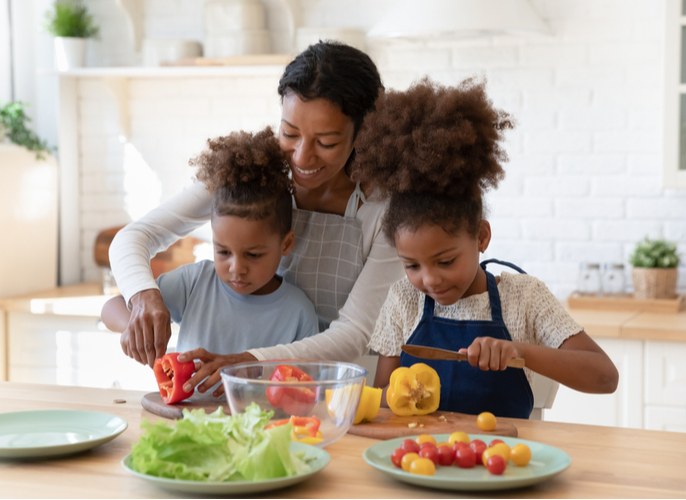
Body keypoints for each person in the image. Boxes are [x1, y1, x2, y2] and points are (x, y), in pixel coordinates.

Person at [108, 41, 405, 396]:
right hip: (244, 389)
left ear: (363, 133)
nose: (301, 156)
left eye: (325, 141)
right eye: (290, 133)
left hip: (337, 393)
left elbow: (354, 334)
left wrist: (249, 362)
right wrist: (144, 297)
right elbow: (135, 236)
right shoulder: (251, 175)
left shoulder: (386, 209)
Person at [350, 77, 619, 419]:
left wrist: (518, 351)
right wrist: (396, 393)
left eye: (445, 260)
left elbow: (605, 376)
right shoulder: (403, 300)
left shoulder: (524, 298)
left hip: (502, 463)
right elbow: (383, 401)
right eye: (412, 265)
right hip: (421, 461)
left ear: (481, 237)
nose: (429, 280)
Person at [101, 128, 319, 392]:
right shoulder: (195, 282)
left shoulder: (299, 313)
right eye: (223, 251)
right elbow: (111, 308)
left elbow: (308, 387)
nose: (236, 268)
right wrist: (135, 328)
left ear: (285, 244)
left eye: (253, 254)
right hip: (187, 425)